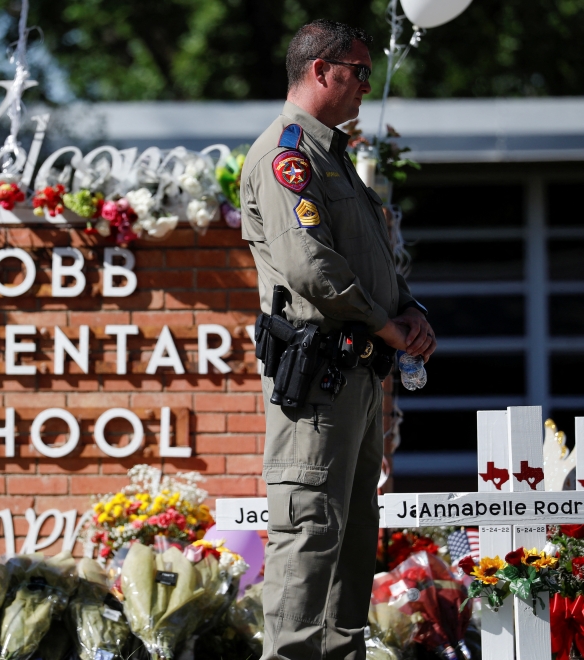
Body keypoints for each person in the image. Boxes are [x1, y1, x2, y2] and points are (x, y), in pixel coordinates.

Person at [239, 19, 436, 660]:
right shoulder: (287, 154)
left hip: (356, 374)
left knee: (352, 538)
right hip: (318, 379)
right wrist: (386, 325)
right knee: (309, 533)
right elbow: (310, 268)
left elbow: (369, 255)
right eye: (357, 73)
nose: (365, 87)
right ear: (321, 71)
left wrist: (411, 311)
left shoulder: (334, 156)